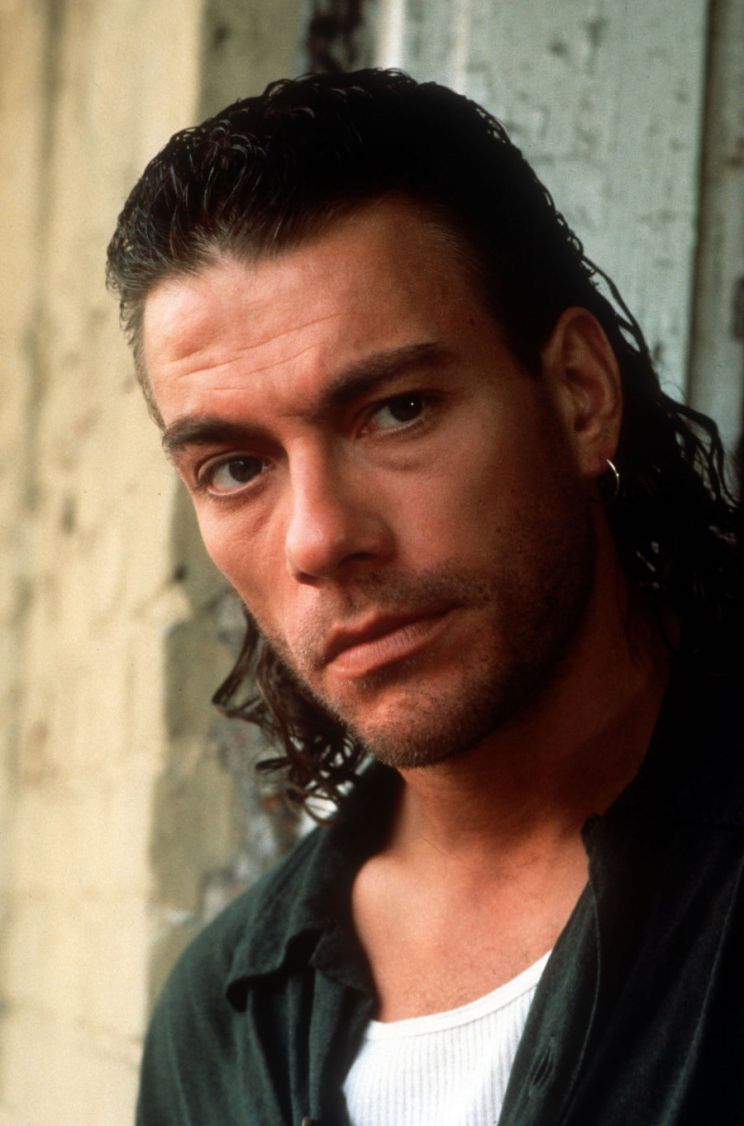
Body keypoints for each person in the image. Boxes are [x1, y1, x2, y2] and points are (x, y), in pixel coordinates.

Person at [107, 69, 743, 1126]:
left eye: (397, 410)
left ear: (579, 395)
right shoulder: (217, 1023)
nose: (319, 539)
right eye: (236, 467)